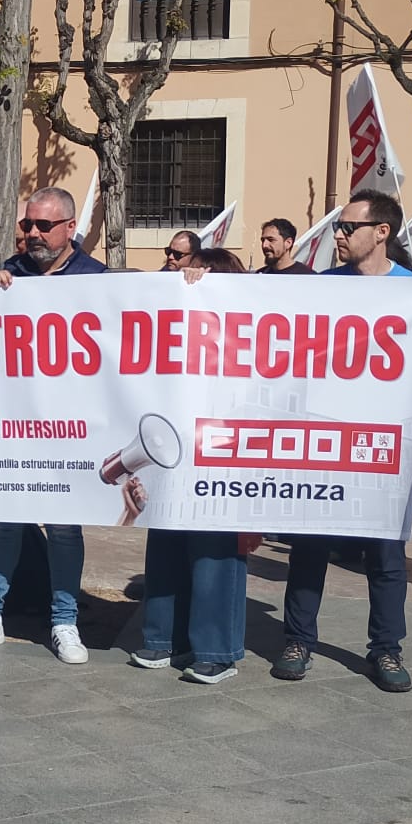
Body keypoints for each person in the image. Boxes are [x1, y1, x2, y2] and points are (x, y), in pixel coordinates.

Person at [277, 190, 412, 692]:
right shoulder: (323, 287)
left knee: (385, 554)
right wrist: (198, 282)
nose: (338, 235)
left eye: (348, 227)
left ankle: (386, 649)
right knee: (309, 546)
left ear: (381, 232)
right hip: (323, 438)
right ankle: (297, 639)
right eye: (338, 226)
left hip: (384, 446)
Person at [0, 188, 107, 666]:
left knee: (63, 528)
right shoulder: (10, 274)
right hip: (14, 427)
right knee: (4, 522)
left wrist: (194, 278)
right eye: (28, 225)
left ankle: (64, 620)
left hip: (70, 430)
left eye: (44, 226)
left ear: (68, 229)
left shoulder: (98, 279)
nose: (33, 234)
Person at [134, 247, 254, 683]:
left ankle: (216, 649)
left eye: (199, 276)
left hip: (224, 452)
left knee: (214, 551)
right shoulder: (177, 323)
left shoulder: (248, 328)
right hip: (177, 448)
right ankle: (164, 638)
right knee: (166, 542)